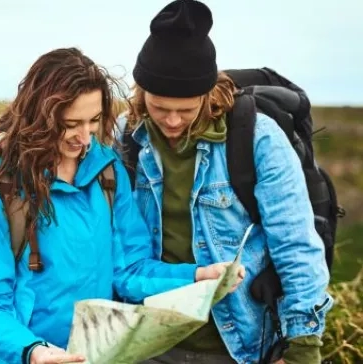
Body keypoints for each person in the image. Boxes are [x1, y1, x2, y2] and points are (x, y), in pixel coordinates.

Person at [0, 47, 244, 364]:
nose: (85, 138)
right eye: (70, 123)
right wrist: (34, 352)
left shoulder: (107, 173)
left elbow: (129, 271)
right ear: (39, 117)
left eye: (93, 120)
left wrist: (196, 277)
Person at [115, 1, 334, 363]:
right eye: (159, 107)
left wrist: (302, 348)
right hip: (149, 340)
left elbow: (295, 245)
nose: (171, 121)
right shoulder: (124, 137)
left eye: (186, 109)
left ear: (207, 92)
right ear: (141, 94)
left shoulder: (258, 139)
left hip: (238, 344)